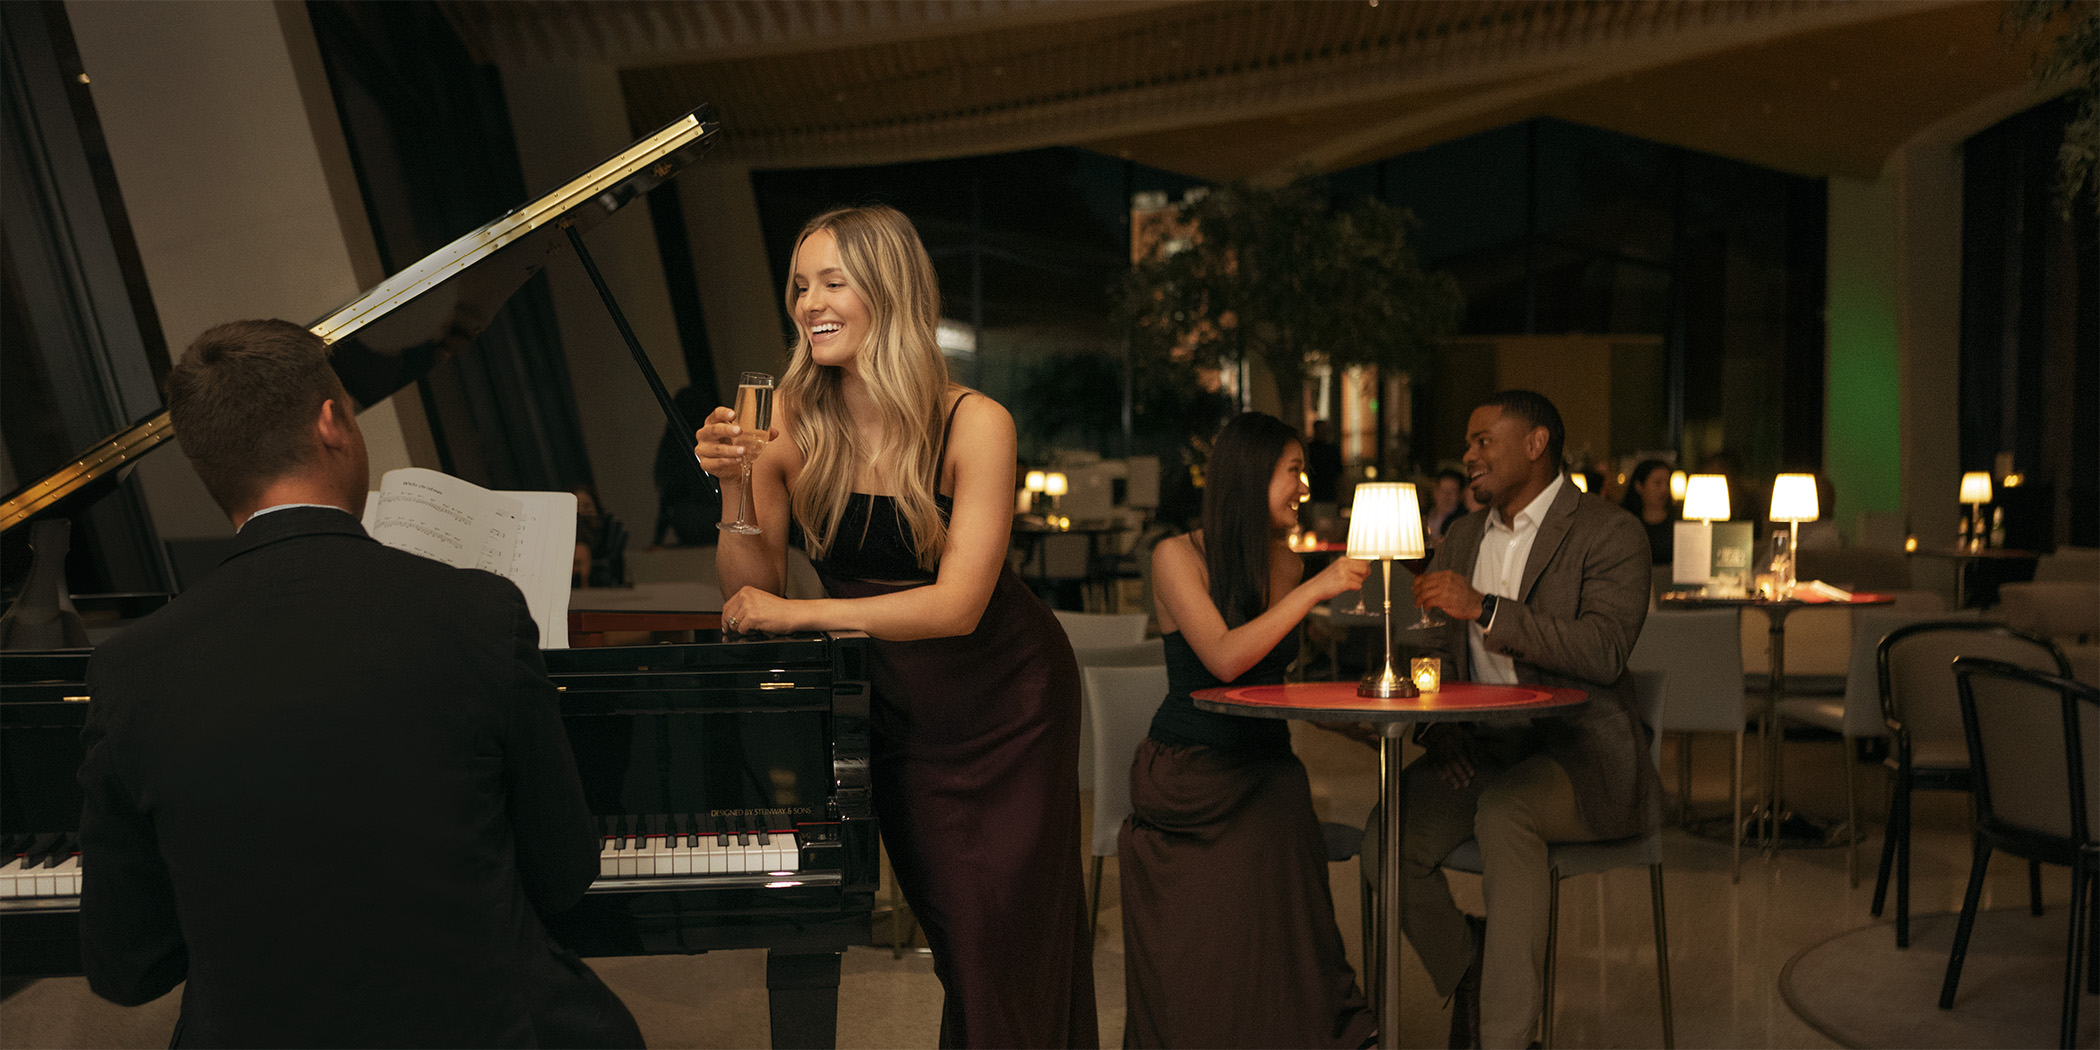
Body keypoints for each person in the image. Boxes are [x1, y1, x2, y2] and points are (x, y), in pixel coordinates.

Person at [78, 319, 640, 1048]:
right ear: (332, 422)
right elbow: (562, 875)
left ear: (205, 460)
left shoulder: (129, 671)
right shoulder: (478, 611)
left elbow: (127, 968)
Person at [695, 205, 1097, 1048]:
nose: (810, 303)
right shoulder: (787, 425)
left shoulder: (974, 421)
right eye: (800, 286)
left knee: (1008, 947)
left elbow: (957, 606)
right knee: (962, 936)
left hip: (1012, 702)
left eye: (833, 282)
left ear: (890, 290)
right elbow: (748, 590)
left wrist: (803, 612)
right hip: (903, 713)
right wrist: (732, 485)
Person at [1404, 389, 1657, 1050]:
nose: (1468, 456)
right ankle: (1473, 970)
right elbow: (1432, 650)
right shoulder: (1460, 534)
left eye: (1484, 440)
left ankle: (1506, 1039)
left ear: (1536, 442)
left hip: (1580, 753)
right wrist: (1441, 730)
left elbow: (1603, 652)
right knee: (1388, 838)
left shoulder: (1609, 531)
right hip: (1482, 749)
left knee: (1505, 814)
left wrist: (1486, 610)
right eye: (1469, 443)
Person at [1117, 412, 1376, 1049]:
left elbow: (1279, 685)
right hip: (1188, 769)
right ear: (1254, 475)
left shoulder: (1283, 562)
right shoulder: (1177, 556)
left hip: (1264, 761)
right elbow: (1225, 661)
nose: (1302, 488)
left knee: (1289, 805)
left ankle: (1311, 1027)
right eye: (1293, 473)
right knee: (1268, 834)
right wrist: (1315, 590)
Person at [1619, 458, 1675, 565]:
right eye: (1658, 483)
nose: (1664, 490)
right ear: (1639, 486)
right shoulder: (1627, 524)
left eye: (1667, 483)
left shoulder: (1675, 524)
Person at [1425, 467, 1468, 546]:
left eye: (1452, 492)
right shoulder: (1423, 515)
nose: (1446, 496)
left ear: (1460, 495)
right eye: (1443, 490)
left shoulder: (1462, 521)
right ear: (1435, 491)